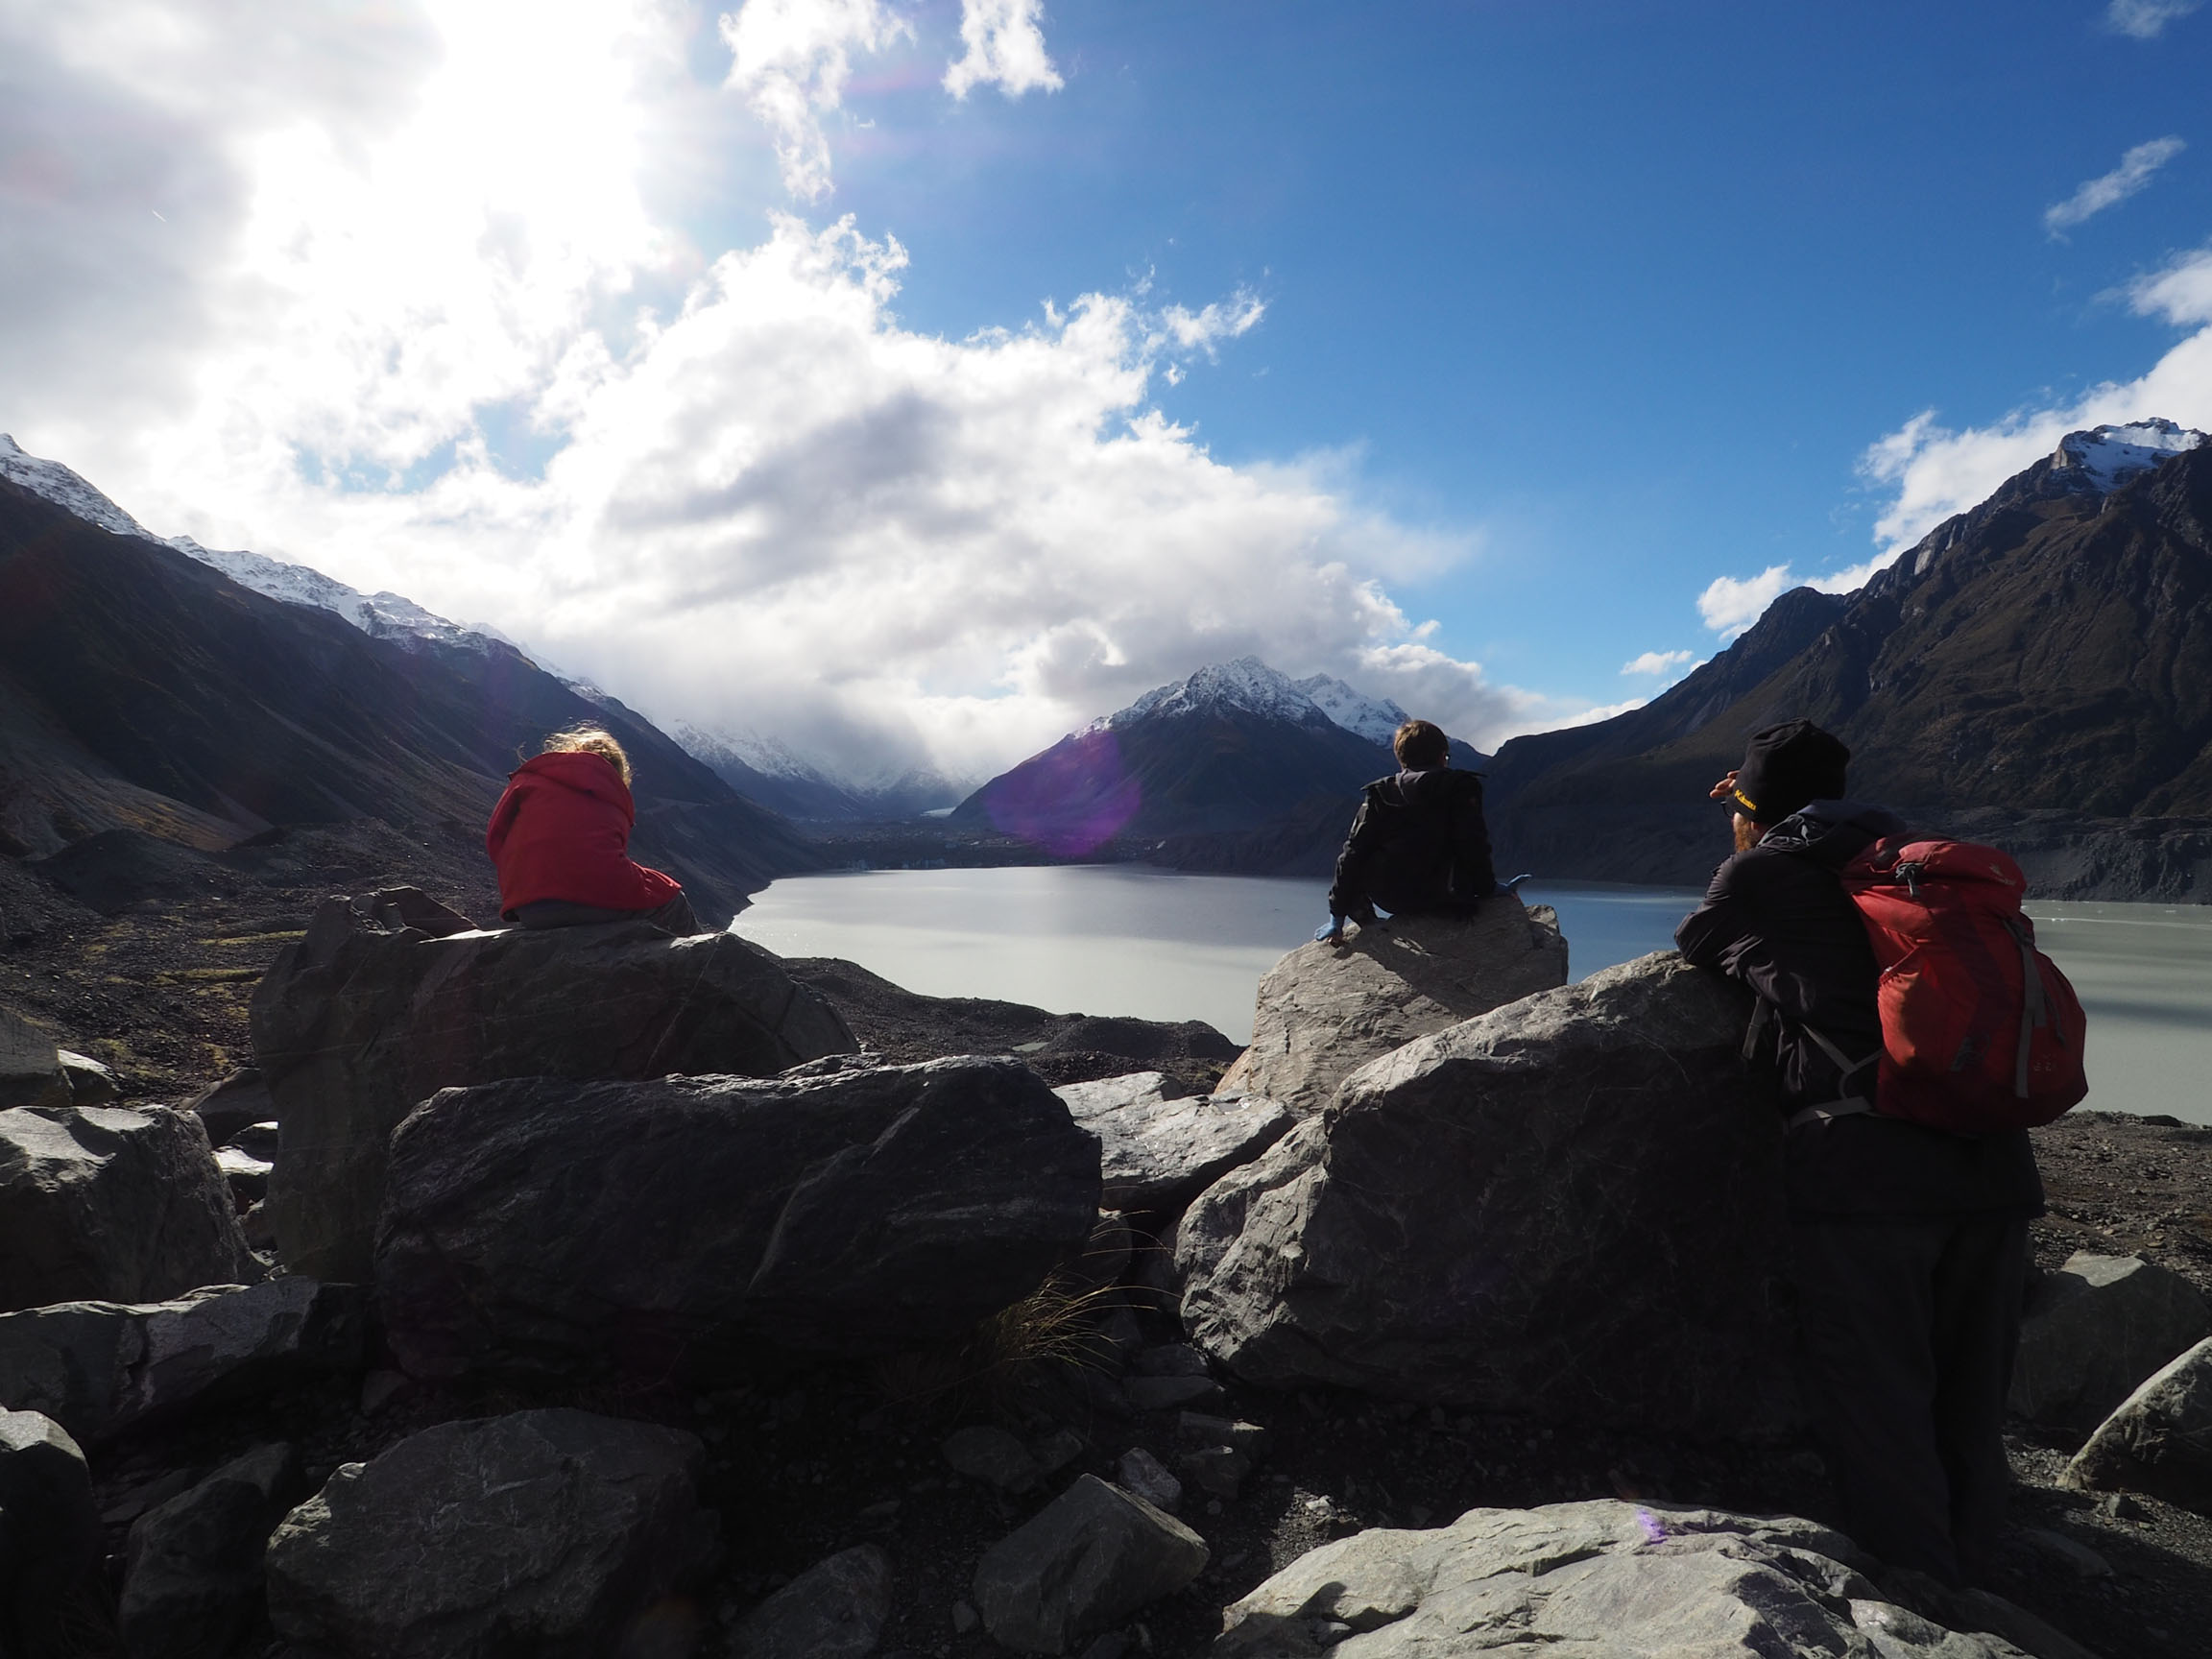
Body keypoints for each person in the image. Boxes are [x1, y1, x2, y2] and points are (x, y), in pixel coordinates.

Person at [1674, 718, 2044, 1588]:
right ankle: (1982, 1581)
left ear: (1751, 808)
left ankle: (1924, 1605)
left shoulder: (1759, 872)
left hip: (1868, 1173)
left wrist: (1743, 845)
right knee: (1971, 1393)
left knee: (1881, 1396)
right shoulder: (1918, 866)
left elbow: (1699, 942)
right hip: (1993, 1159)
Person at [485, 727, 701, 934]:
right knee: (672, 900)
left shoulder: (527, 781)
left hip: (528, 907)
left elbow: (495, 840)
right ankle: (701, 957)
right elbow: (607, 855)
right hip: (591, 900)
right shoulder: (610, 792)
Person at [1323, 718, 1498, 943]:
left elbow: (1352, 853)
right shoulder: (1461, 787)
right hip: (1449, 896)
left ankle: (1365, 919)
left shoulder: (1380, 793)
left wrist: (1337, 914)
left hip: (1392, 898)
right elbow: (1473, 843)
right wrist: (1488, 888)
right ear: (1441, 756)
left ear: (1400, 758)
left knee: (1360, 851)